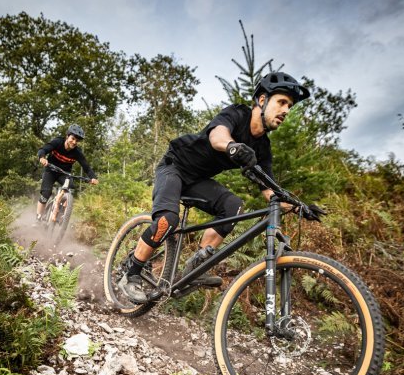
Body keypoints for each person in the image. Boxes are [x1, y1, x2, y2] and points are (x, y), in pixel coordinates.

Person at [118, 71, 323, 303]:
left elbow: (270, 191)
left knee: (233, 206)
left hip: (198, 180)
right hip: (174, 166)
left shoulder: (263, 147)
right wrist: (233, 146)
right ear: (263, 100)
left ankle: (196, 267)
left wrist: (299, 207)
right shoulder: (237, 114)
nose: (286, 110)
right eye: (282, 102)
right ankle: (131, 273)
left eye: (290, 106)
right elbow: (218, 136)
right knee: (168, 220)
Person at [35, 124, 99, 223]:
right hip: (50, 170)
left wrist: (93, 178)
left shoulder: (77, 152)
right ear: (67, 136)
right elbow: (43, 149)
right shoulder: (58, 142)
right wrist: (42, 157)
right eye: (72, 139)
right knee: (46, 194)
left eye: (77, 141)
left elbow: (86, 167)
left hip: (64, 173)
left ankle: (61, 214)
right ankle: (38, 218)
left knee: (71, 189)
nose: (74, 142)